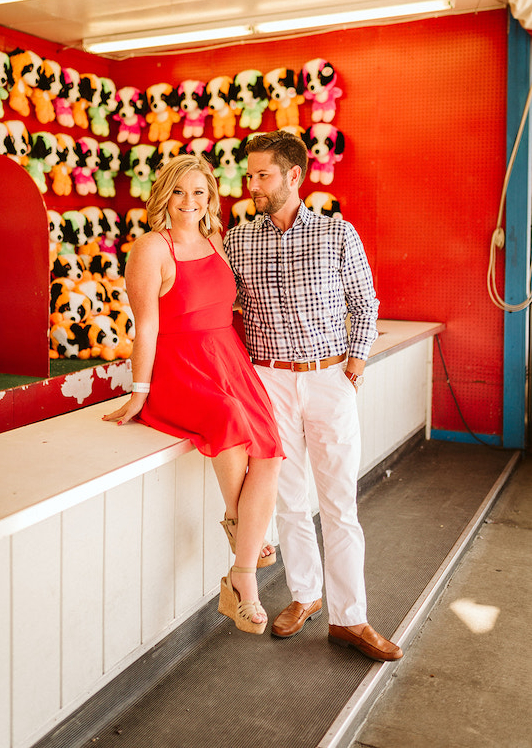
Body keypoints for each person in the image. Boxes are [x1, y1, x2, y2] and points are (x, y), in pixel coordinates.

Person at [225, 130, 401, 662]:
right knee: (288, 501)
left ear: (294, 176)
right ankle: (304, 596)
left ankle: (351, 619)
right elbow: (222, 311)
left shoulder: (337, 235)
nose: (252, 184)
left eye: (263, 175)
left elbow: (365, 303)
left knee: (340, 505)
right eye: (249, 174)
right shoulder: (237, 241)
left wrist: (354, 364)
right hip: (268, 381)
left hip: (329, 378)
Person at [103, 154, 283, 634]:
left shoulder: (217, 241)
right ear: (165, 195)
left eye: (199, 192)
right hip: (179, 368)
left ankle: (240, 574)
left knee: (269, 448)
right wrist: (138, 394)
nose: (189, 201)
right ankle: (236, 521)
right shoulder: (149, 249)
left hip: (228, 359)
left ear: (211, 199)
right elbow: (146, 329)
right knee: (227, 417)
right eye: (180, 192)